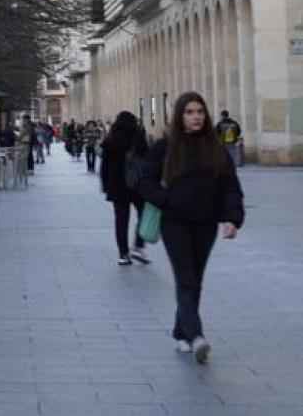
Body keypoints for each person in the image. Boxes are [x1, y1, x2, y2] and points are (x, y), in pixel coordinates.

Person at [140, 92, 244, 364]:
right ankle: (196, 336)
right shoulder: (165, 148)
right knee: (186, 279)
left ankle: (181, 331)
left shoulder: (216, 149)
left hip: (205, 223)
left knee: (195, 279)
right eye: (189, 112)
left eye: (199, 111)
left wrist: (232, 218)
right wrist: (167, 201)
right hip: (175, 224)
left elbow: (230, 187)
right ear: (179, 116)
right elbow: (145, 182)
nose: (196, 117)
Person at [99, 111, 151, 265]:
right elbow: (147, 161)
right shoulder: (138, 138)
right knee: (144, 214)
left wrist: (105, 185)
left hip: (117, 186)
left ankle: (123, 254)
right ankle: (138, 246)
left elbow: (104, 166)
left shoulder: (110, 140)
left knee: (121, 220)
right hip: (137, 185)